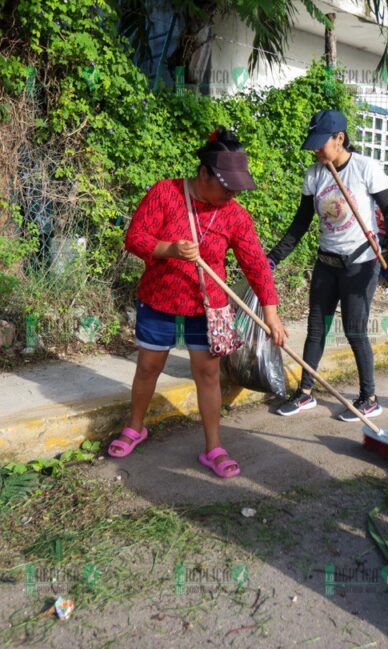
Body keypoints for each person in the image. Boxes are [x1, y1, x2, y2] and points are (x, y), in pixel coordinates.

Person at [116, 127, 287, 478]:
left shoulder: (234, 214)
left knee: (208, 374)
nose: (231, 194)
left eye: (236, 188)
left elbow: (255, 262)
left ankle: (213, 447)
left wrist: (271, 313)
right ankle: (136, 427)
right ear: (204, 173)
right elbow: (134, 238)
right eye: (226, 186)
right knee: (148, 366)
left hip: (207, 307)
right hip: (159, 298)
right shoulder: (166, 193)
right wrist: (169, 249)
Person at [267, 109, 388, 420]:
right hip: (326, 263)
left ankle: (369, 397)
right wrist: (274, 256)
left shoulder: (365, 169)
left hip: (361, 264)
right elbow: (300, 223)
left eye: (321, 144)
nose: (316, 150)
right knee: (316, 329)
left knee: (355, 330)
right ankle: (305, 393)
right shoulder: (314, 175)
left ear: (340, 139)